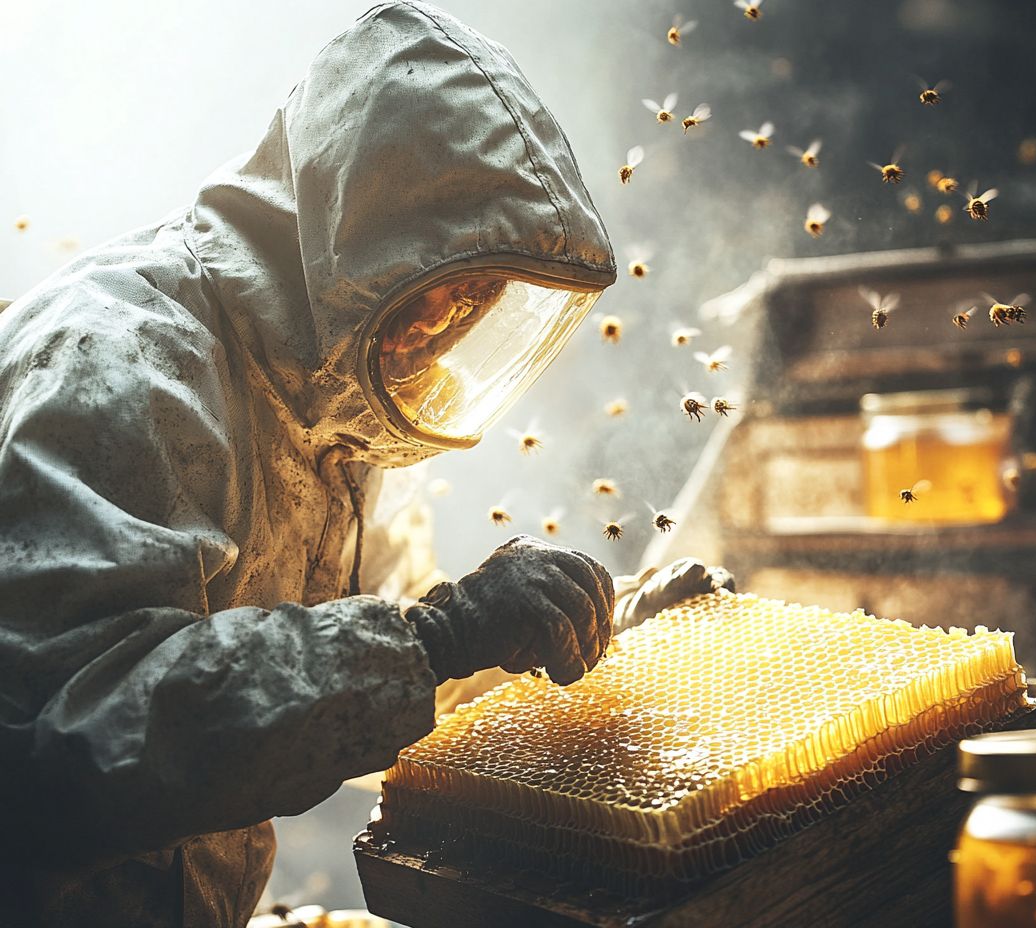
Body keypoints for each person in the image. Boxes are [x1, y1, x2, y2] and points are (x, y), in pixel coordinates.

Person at [0, 4, 731, 925]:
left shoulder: (331, 409)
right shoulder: (123, 361)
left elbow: (412, 668)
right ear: (356, 245)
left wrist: (607, 631)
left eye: (478, 307)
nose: (446, 336)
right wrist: (436, 637)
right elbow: (70, 736)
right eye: (441, 295)